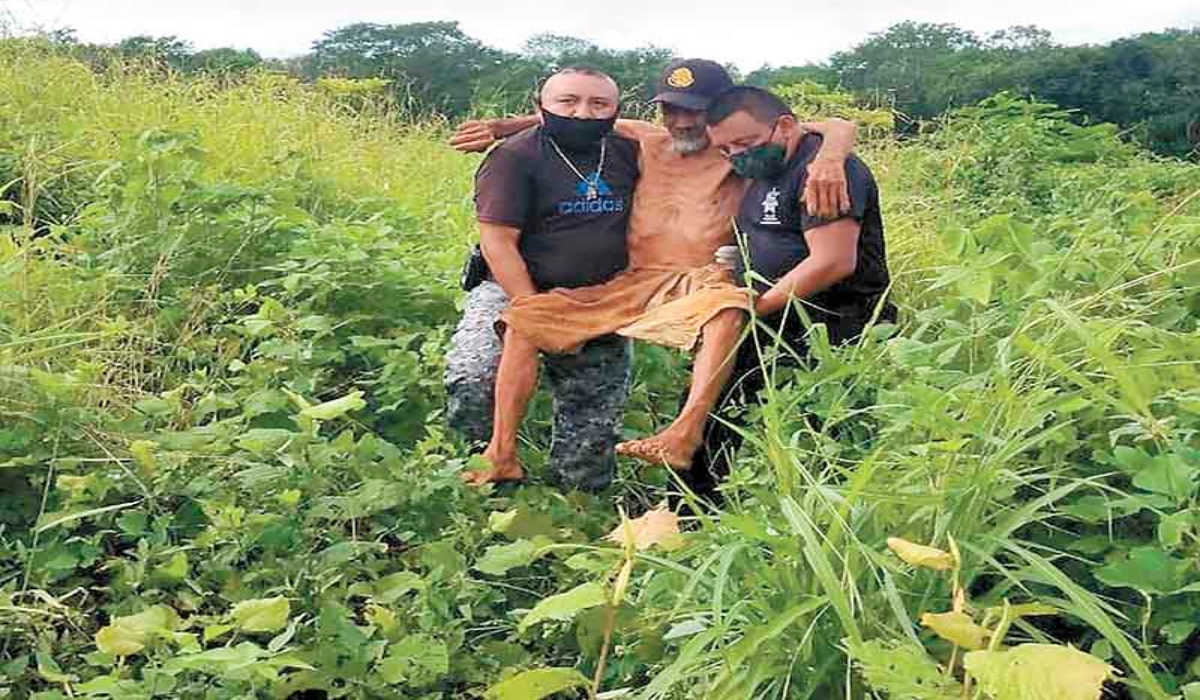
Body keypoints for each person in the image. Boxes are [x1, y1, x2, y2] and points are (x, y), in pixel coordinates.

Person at [449, 60, 859, 490]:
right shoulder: (647, 138)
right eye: (671, 110)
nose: (681, 122)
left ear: (721, 113)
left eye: (694, 112)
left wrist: (830, 158)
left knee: (728, 306)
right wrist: (502, 127)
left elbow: (836, 124)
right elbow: (582, 114)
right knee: (526, 320)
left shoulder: (738, 148)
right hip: (634, 278)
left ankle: (684, 433)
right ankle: (501, 454)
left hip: (696, 277)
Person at [686, 85, 897, 502]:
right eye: (726, 149)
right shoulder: (764, 170)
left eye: (744, 143)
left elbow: (833, 261)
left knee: (820, 436)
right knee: (713, 417)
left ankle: (808, 531)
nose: (737, 156)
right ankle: (693, 517)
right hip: (769, 322)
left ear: (784, 127)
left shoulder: (824, 171)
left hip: (830, 327)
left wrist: (755, 307)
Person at [444, 66, 639, 492]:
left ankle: (579, 501)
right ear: (541, 108)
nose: (583, 114)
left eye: (599, 104)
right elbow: (498, 241)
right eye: (567, 102)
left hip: (600, 294)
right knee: (473, 376)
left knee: (593, 410)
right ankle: (482, 472)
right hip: (513, 287)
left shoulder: (632, 149)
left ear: (616, 112)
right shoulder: (514, 157)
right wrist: (531, 307)